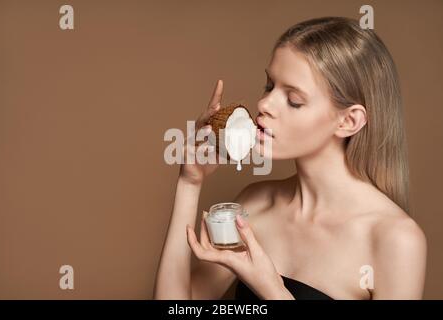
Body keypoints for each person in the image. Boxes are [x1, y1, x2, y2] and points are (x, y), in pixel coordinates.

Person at [153, 17, 427, 300]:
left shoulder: (395, 239)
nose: (263, 104)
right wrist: (189, 183)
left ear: (349, 121)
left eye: (294, 100)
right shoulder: (254, 205)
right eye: (270, 86)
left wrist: (271, 289)